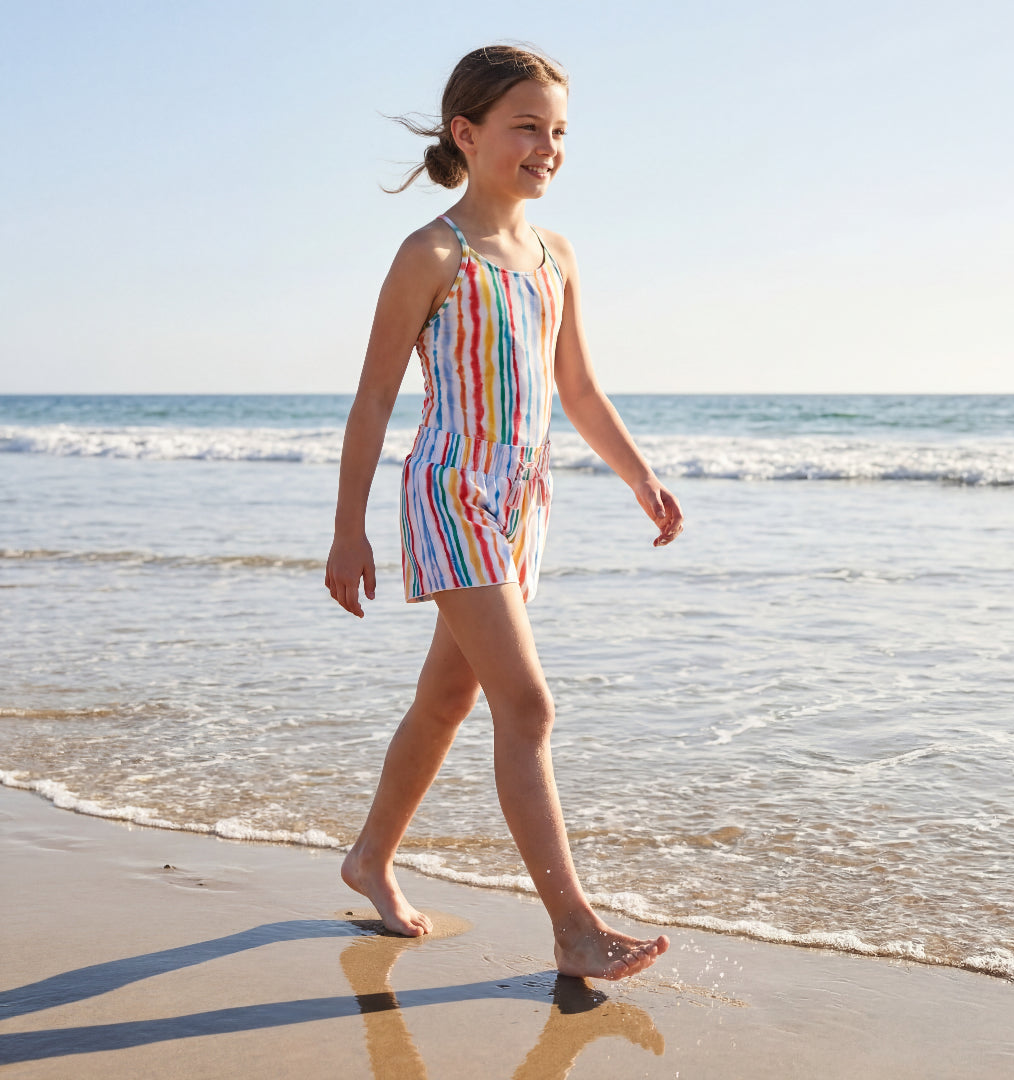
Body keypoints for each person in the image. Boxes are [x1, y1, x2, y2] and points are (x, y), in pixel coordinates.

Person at [325, 44, 683, 981]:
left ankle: (369, 857)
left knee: (449, 697)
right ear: (467, 133)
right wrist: (347, 527)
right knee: (527, 703)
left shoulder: (555, 256)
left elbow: (580, 389)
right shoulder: (432, 253)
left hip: (523, 502)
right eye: (527, 126)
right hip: (449, 492)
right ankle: (574, 926)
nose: (546, 147)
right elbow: (371, 399)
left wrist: (641, 476)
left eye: (558, 131)